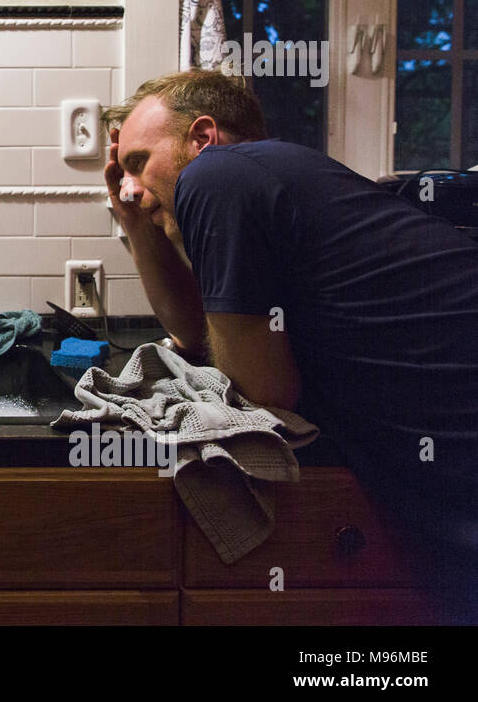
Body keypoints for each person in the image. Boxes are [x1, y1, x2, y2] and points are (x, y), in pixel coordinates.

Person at [102, 69, 478, 595]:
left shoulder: (217, 176)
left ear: (203, 138)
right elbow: (192, 333)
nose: (128, 186)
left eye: (138, 163)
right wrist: (134, 218)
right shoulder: (261, 179)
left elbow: (265, 396)